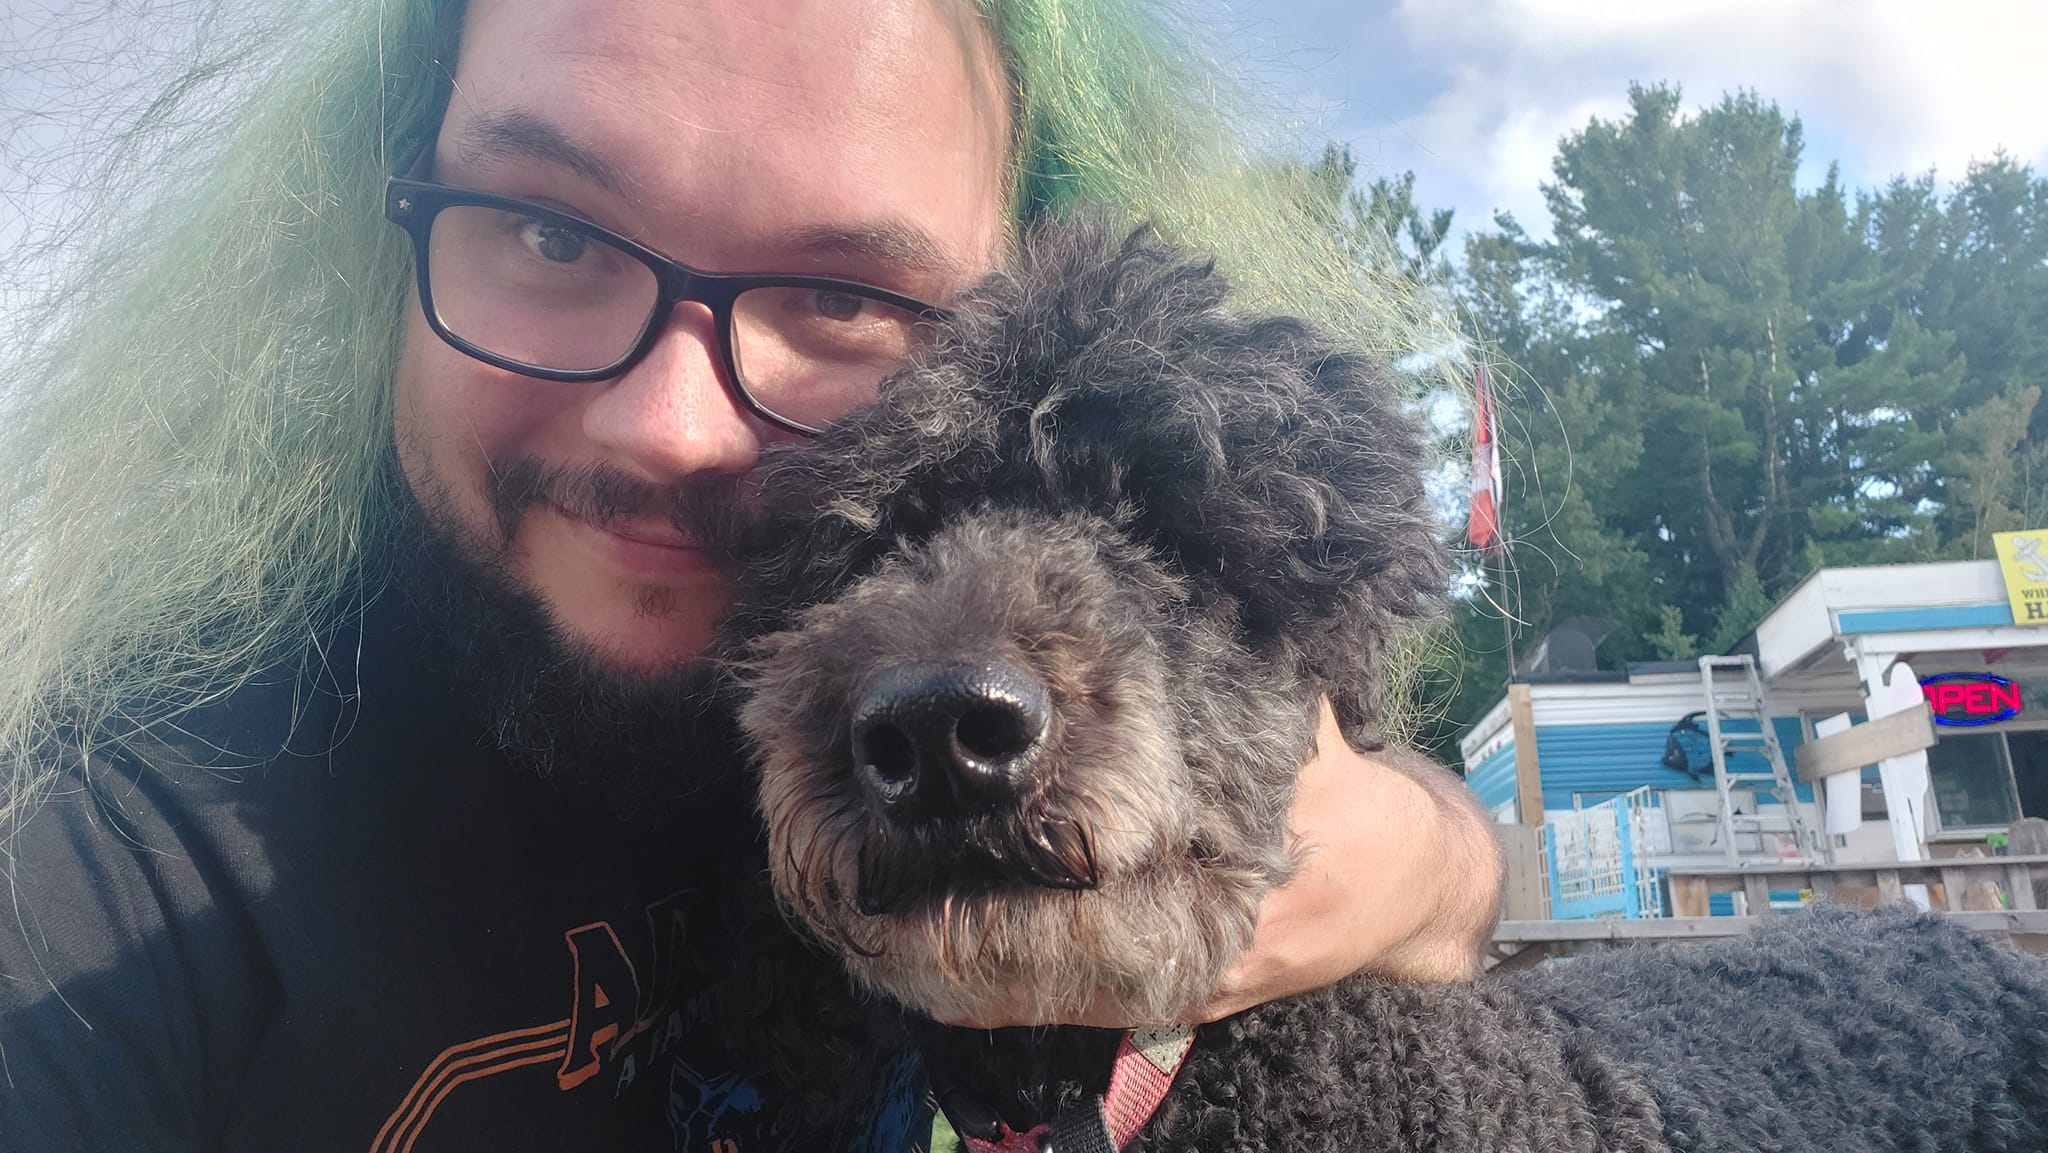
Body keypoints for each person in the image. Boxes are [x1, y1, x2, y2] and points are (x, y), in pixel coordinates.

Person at [0, 0, 1503, 1149]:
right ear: (383, 224)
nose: (667, 424)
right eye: (546, 229)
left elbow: (1401, 834)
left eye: (842, 293)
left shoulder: (960, 703)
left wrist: (1426, 863)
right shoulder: (106, 864)